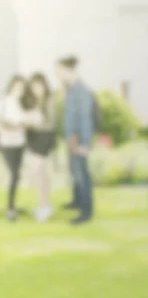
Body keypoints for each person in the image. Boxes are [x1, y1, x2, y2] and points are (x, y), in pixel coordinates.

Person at [0, 75, 39, 221]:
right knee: (14, 174)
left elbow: (26, 122)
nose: (20, 90)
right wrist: (5, 130)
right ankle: (11, 209)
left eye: (22, 88)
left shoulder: (21, 104)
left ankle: (12, 205)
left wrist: (25, 123)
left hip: (19, 143)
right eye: (17, 87)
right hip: (7, 144)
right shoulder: (2, 103)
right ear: (11, 86)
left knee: (16, 175)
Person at [55, 55, 95, 225]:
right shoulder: (70, 90)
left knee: (82, 175)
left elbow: (85, 118)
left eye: (59, 71)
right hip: (72, 140)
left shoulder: (81, 90)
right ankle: (77, 202)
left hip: (79, 141)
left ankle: (86, 212)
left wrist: (85, 144)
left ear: (68, 70)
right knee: (75, 172)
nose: (57, 74)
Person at [26, 72, 57, 222]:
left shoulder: (49, 101)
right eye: (34, 86)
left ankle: (45, 206)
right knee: (39, 173)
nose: (37, 88)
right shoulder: (32, 101)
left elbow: (50, 123)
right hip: (34, 139)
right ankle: (44, 204)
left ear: (44, 85)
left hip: (45, 139)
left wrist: (35, 122)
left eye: (39, 85)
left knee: (38, 170)